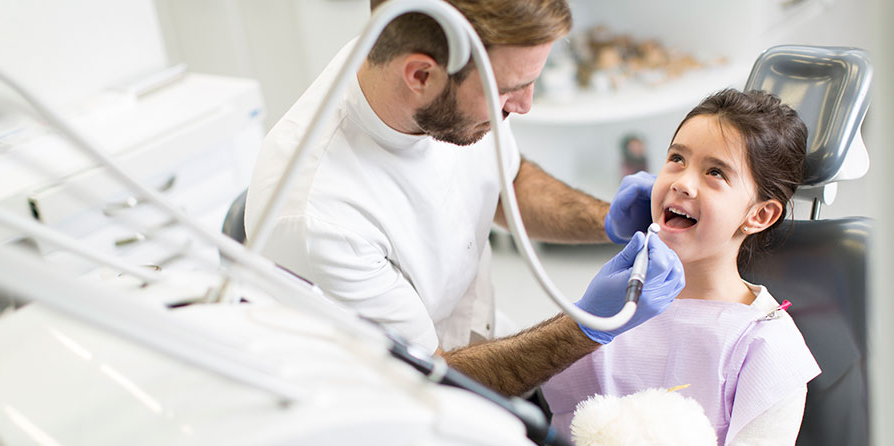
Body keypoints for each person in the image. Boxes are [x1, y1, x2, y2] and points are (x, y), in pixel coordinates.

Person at [243, 0, 683, 398]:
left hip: (476, 333)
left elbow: (507, 182)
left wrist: (607, 219)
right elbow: (429, 377)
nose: (524, 105)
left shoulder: (443, 83)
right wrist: (586, 327)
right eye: (510, 89)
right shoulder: (321, 216)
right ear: (420, 75)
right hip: (405, 403)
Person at [521, 88, 820, 446]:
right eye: (677, 159)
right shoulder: (617, 304)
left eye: (715, 172)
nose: (682, 182)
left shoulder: (765, 344)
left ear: (760, 214)